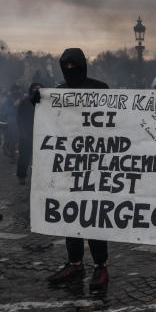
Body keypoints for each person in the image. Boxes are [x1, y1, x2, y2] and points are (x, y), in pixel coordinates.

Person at [46, 48, 111, 291]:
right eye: (66, 67)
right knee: (71, 214)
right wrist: (37, 97)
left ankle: (101, 265)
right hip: (69, 165)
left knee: (93, 214)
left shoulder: (100, 88)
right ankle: (75, 262)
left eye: (74, 66)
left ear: (82, 66)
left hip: (95, 164)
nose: (70, 71)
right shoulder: (60, 92)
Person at [16, 82, 42, 185]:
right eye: (34, 88)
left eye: (39, 89)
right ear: (31, 90)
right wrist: (22, 132)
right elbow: (19, 118)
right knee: (24, 157)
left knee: (40, 158)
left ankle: (39, 178)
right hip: (26, 134)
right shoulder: (24, 102)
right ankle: (21, 176)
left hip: (40, 134)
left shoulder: (44, 102)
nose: (36, 90)